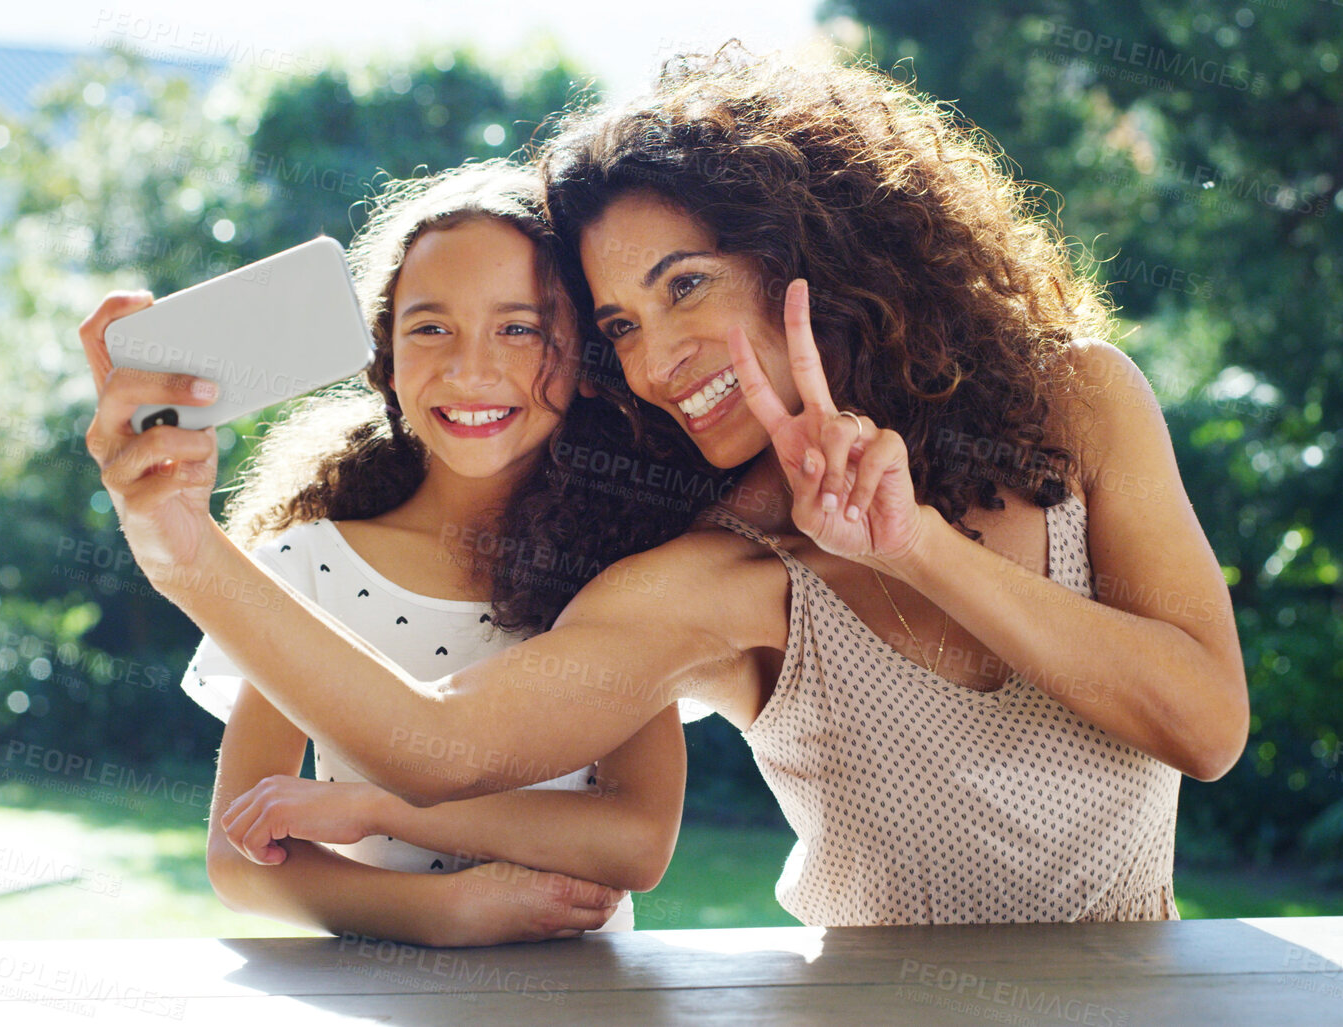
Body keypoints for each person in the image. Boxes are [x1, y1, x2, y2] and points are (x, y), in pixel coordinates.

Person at [82, 51, 1247, 926]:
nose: (657, 360)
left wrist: (919, 548)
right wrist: (181, 543)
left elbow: (1205, 727)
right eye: (623, 326)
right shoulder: (719, 570)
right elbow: (433, 747)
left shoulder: (1080, 401)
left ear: (810, 252)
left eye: (686, 285)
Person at [76, 161, 684, 946]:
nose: (471, 368)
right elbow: (241, 856)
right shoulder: (307, 567)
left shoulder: (623, 575)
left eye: (520, 328)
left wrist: (383, 808)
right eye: (430, 327)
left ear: (583, 360)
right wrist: (442, 914)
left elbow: (635, 841)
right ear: (385, 363)